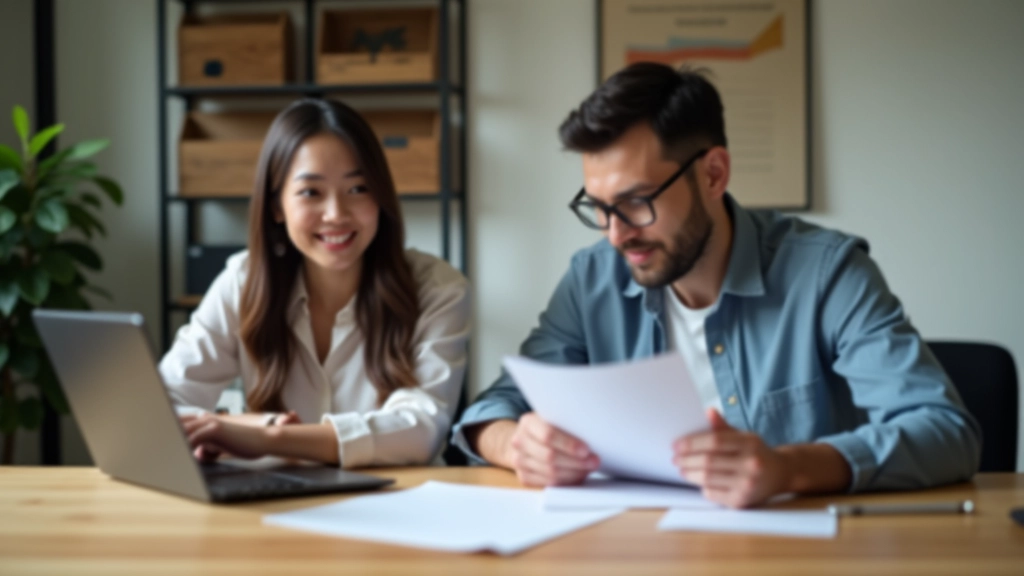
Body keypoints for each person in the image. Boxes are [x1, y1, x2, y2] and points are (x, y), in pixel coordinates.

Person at [451, 63, 980, 508]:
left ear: (713, 174)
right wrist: (514, 443)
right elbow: (494, 408)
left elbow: (946, 432)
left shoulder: (827, 274)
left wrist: (789, 468)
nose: (616, 234)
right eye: (600, 208)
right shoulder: (592, 279)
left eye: (637, 202)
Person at [160, 98, 470, 468]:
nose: (336, 214)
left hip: (399, 507)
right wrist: (250, 424)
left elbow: (419, 429)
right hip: (275, 505)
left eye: (358, 189)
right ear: (277, 206)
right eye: (311, 192)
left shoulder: (436, 289)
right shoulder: (243, 281)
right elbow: (161, 404)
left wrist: (271, 437)